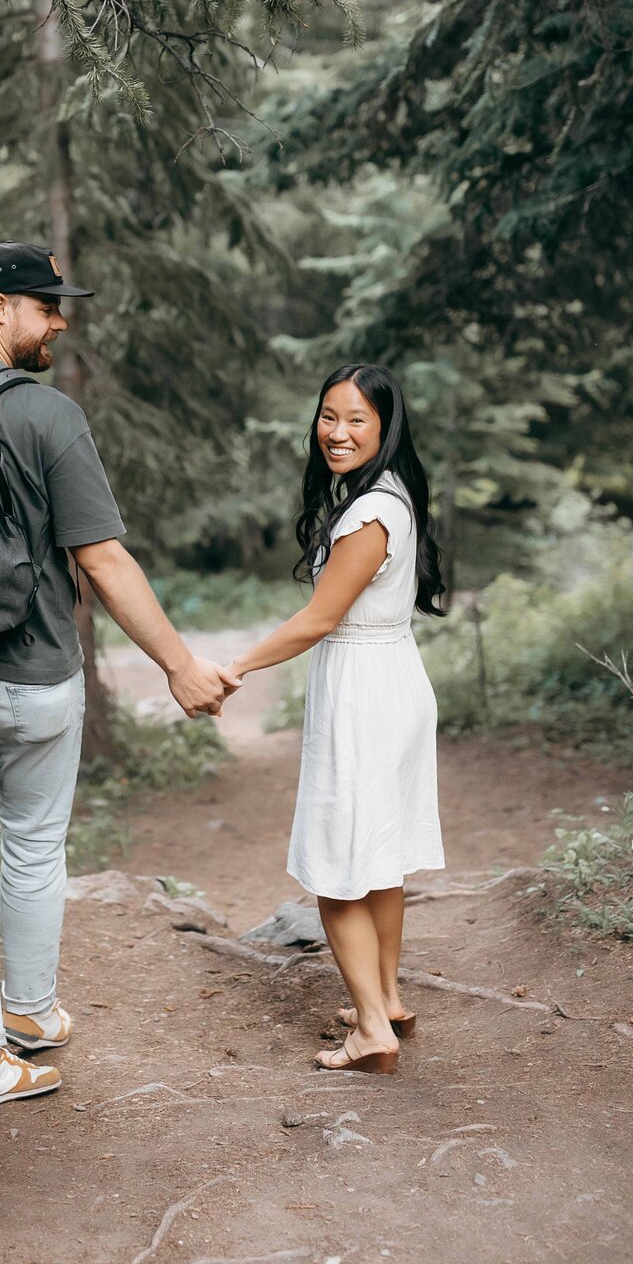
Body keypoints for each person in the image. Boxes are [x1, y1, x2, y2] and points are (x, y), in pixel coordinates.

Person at [0, 241, 240, 1109]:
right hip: (30, 675)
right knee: (30, 851)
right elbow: (101, 558)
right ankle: (22, 1017)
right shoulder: (46, 414)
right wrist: (179, 667)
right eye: (44, 304)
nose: (59, 319)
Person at [228, 363, 446, 1074]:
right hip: (391, 682)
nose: (337, 432)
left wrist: (234, 668)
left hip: (365, 693)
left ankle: (373, 1033)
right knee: (378, 858)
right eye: (328, 416)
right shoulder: (390, 495)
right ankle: (385, 997)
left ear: (385, 427)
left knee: (337, 867)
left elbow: (319, 620)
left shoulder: (367, 511)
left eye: (357, 419)